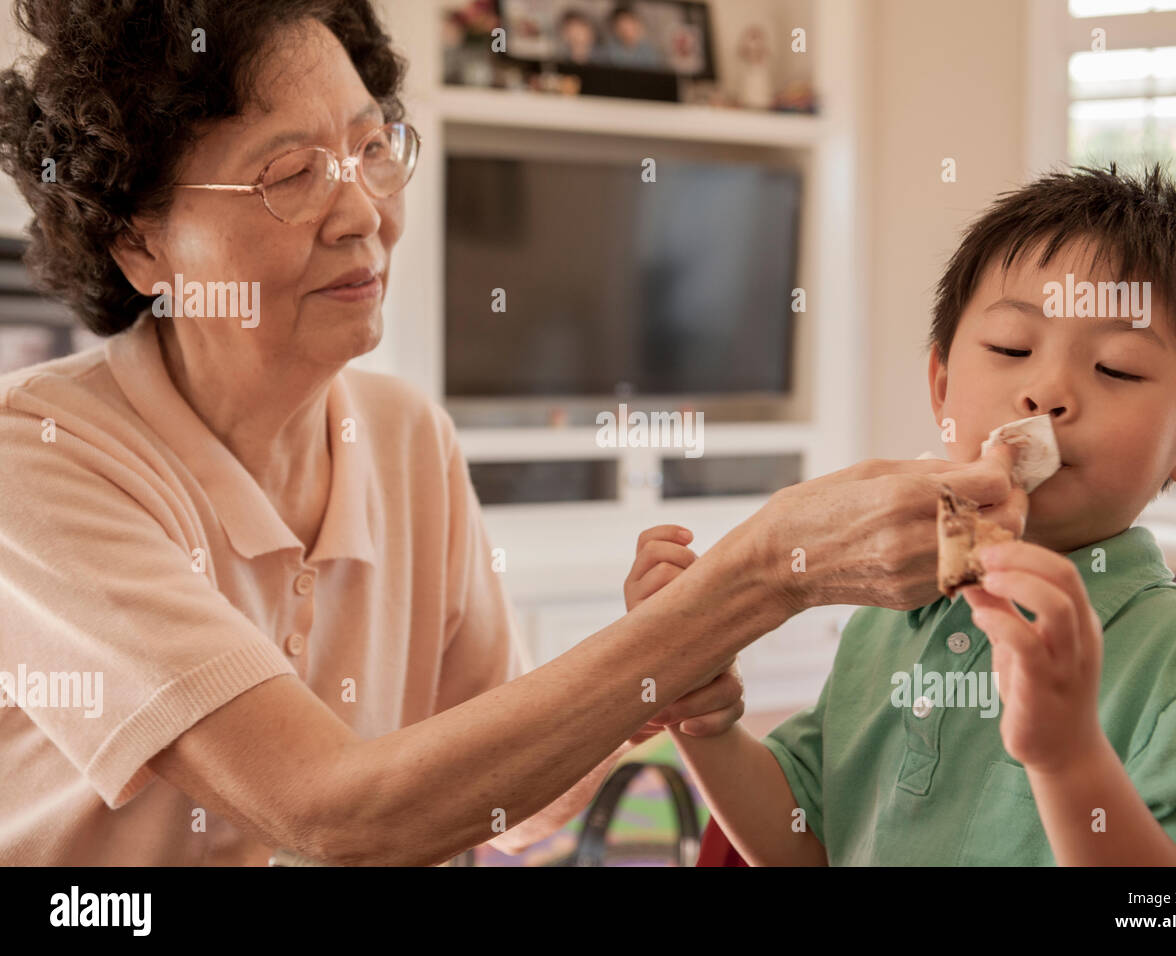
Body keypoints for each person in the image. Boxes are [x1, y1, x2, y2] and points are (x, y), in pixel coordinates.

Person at [0, 0, 1023, 865]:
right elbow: (331, 809)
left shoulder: (405, 439)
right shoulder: (40, 463)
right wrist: (755, 579)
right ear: (140, 241)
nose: (363, 211)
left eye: (370, 148)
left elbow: (508, 799)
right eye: (291, 175)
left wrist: (654, 659)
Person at [645, 165, 1176, 866]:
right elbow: (804, 842)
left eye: (1116, 369)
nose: (1045, 391)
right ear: (942, 386)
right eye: (1011, 350)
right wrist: (703, 722)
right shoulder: (887, 613)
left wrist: (1070, 762)